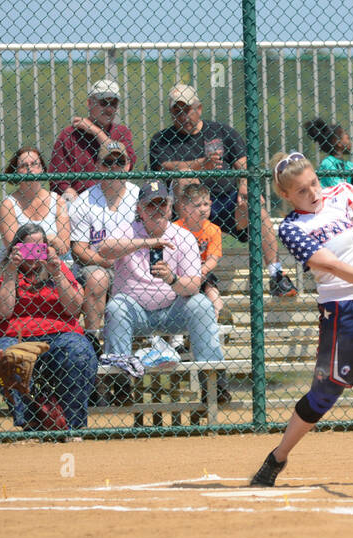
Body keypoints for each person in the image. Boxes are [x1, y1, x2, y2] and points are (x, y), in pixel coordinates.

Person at [248, 152, 353, 487]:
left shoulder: (343, 193)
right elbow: (330, 265)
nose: (313, 193)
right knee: (325, 394)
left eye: (313, 183)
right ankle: (278, 457)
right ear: (286, 196)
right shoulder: (293, 228)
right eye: (301, 191)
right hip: (342, 311)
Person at [147, 83, 298, 298]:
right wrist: (202, 164)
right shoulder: (162, 139)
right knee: (184, 179)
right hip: (189, 209)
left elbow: (243, 165)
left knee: (258, 207)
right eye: (176, 110)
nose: (182, 115)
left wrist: (245, 187)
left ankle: (276, 276)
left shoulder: (221, 131)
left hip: (227, 204)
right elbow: (165, 167)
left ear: (198, 108)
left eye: (187, 109)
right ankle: (194, 273)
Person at [98, 180, 225, 380]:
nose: (157, 209)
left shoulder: (183, 236)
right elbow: (104, 249)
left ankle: (213, 380)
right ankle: (120, 382)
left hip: (171, 310)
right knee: (116, 308)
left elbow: (192, 285)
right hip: (135, 311)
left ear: (169, 207)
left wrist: (171, 278)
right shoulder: (127, 229)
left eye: (162, 204)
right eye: (151, 204)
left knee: (201, 304)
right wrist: (148, 243)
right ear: (139, 208)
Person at [0, 224, 96, 430]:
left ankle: (72, 425)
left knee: (79, 350)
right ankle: (30, 422)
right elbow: (2, 312)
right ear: (16, 248)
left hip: (59, 334)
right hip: (10, 335)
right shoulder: (1, 272)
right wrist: (12, 271)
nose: (32, 254)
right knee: (11, 355)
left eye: (39, 248)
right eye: (27, 248)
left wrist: (56, 273)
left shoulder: (57, 269)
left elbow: (74, 308)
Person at [67, 140, 139, 349]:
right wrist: (106, 262)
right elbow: (78, 248)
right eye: (108, 162)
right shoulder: (84, 201)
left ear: (128, 165)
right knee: (97, 278)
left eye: (120, 161)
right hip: (97, 266)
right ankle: (92, 337)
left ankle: (152, 337)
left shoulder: (139, 197)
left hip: (135, 264)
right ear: (98, 166)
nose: (114, 168)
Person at [48, 79, 136, 203]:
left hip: (115, 200)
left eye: (114, 104)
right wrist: (75, 200)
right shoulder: (70, 135)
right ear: (89, 103)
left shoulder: (122, 132)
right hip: (78, 202)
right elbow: (57, 179)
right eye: (104, 102)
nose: (109, 109)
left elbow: (129, 163)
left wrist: (96, 132)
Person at [0, 146, 72, 262]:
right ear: (16, 171)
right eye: (23, 165)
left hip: (50, 267)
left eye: (34, 164)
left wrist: (28, 244)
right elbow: (14, 249)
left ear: (42, 168)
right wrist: (50, 240)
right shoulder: (8, 205)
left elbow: (64, 247)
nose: (29, 169)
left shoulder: (58, 201)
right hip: (18, 268)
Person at [174, 182, 229, 325]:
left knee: (211, 287)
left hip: (202, 270)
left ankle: (220, 318)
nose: (203, 209)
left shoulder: (214, 230)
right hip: (180, 272)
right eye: (197, 205)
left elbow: (213, 258)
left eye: (206, 204)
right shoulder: (176, 228)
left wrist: (201, 270)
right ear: (185, 208)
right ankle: (178, 337)